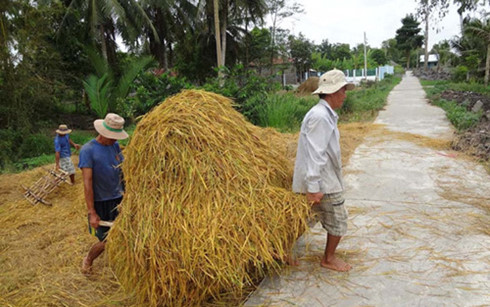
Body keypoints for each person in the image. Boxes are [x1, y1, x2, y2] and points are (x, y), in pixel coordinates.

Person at [292, 69, 355, 272]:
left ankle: (283, 251)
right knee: (338, 219)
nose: (345, 95)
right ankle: (328, 258)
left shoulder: (324, 114)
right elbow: (316, 154)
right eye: (343, 91)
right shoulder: (320, 117)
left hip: (322, 177)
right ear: (332, 92)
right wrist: (313, 186)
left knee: (306, 217)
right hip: (323, 181)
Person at [79, 113, 128, 274]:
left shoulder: (114, 146)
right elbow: (87, 183)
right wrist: (92, 211)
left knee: (123, 233)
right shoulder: (88, 150)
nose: (115, 140)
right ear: (104, 133)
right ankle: (88, 259)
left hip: (118, 198)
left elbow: (121, 170)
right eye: (113, 136)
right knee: (106, 239)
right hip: (101, 202)